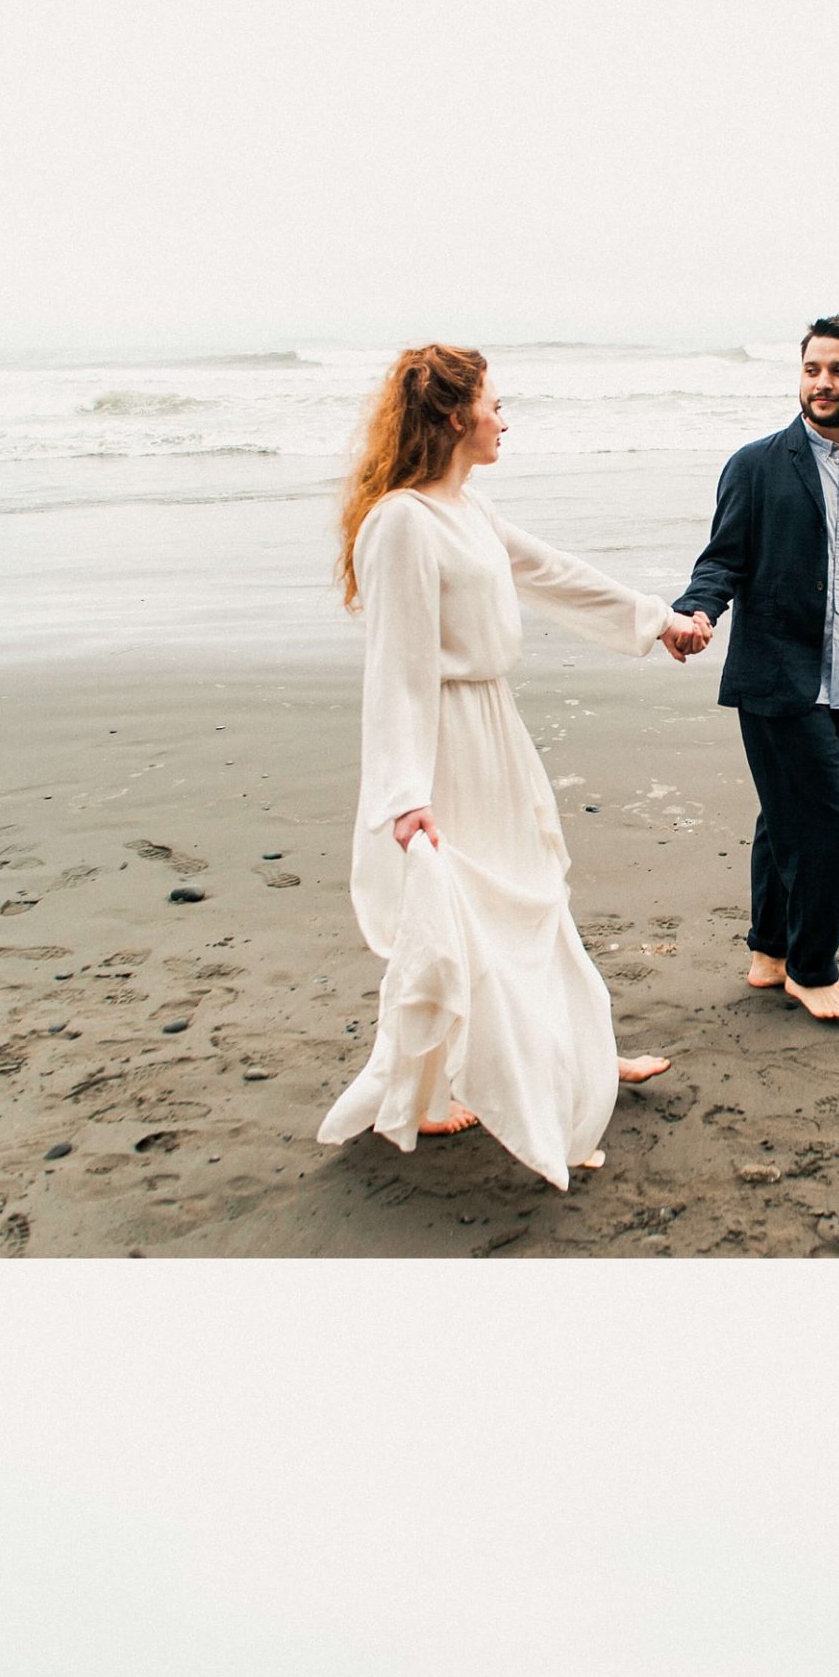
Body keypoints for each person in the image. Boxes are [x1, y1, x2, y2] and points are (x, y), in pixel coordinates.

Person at [318, 344, 703, 1187]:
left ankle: (576, 1056)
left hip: (494, 728)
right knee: (470, 914)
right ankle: (431, 1090)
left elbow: (553, 575)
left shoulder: (469, 511)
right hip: (443, 748)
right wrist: (404, 796)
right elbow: (397, 670)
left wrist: (656, 621)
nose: (503, 416)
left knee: (532, 896)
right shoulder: (400, 522)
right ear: (455, 415)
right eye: (494, 402)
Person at [669, 314, 839, 1022]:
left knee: (785, 816)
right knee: (827, 822)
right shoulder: (757, 464)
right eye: (812, 369)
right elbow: (721, 559)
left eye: (838, 370)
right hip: (776, 675)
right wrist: (697, 614)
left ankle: (769, 953)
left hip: (838, 676)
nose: (822, 382)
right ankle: (812, 971)